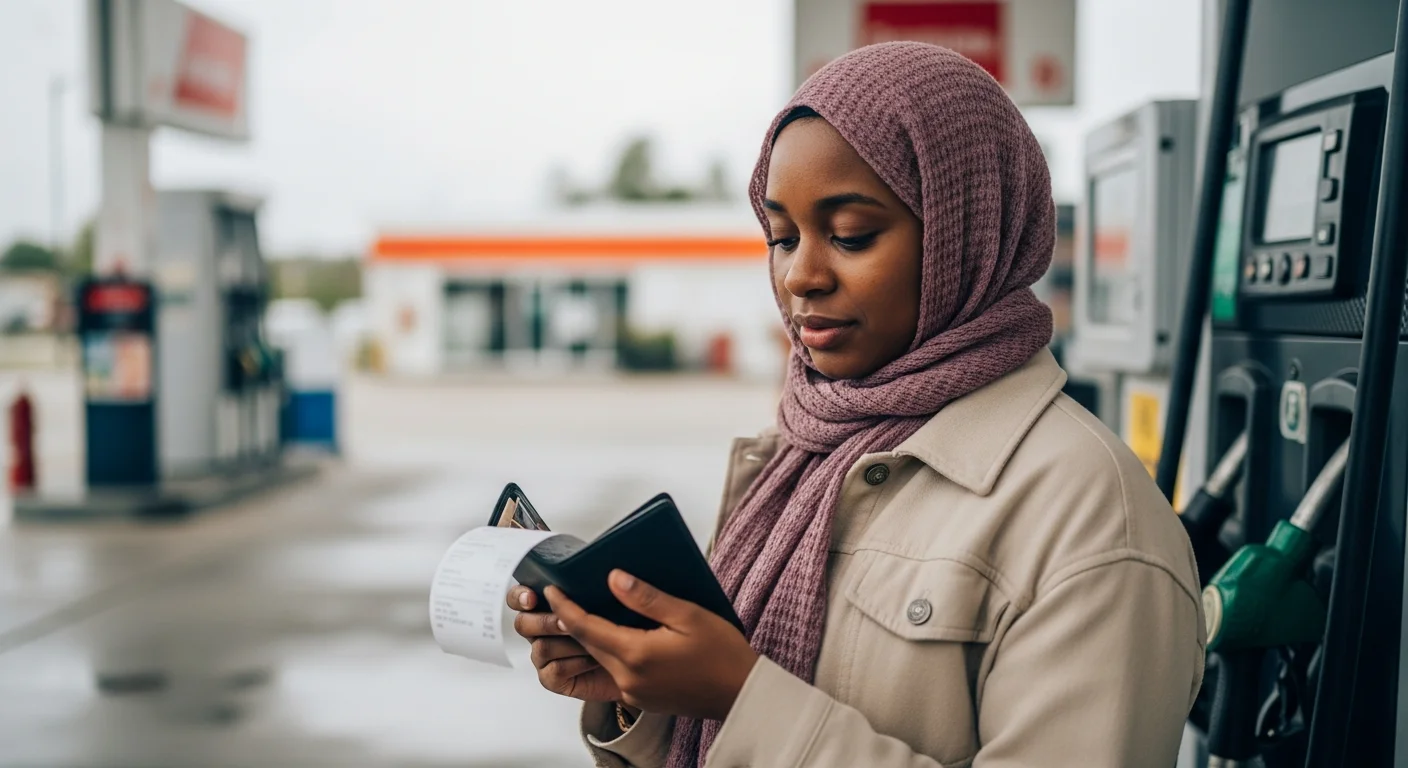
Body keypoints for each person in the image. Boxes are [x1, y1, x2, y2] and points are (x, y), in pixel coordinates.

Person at [507, 42, 1205, 767]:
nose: (801, 275)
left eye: (850, 235)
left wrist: (742, 698)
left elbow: (746, 710)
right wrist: (641, 691)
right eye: (782, 236)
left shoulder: (1090, 520)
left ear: (965, 233)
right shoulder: (797, 456)